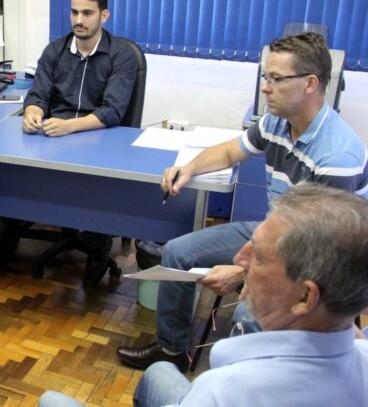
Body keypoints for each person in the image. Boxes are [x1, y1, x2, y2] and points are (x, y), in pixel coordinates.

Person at [116, 31, 368, 371]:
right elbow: (229, 151)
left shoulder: (337, 156)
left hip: (310, 260)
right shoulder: (276, 122)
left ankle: (238, 382)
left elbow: (322, 252)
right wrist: (188, 168)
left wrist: (243, 271)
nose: (265, 87)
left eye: (276, 79)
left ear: (310, 84)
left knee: (248, 311)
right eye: (266, 77)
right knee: (176, 252)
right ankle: (172, 350)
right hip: (271, 233)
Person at [38, 184, 368, 407]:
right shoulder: (360, 362)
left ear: (305, 298)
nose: (239, 260)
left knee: (50, 399)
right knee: (159, 373)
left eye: (260, 257)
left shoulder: (224, 391)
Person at [7, 0, 137, 287]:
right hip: (54, 139)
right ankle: (12, 227)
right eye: (74, 12)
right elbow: (37, 94)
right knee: (12, 171)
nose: (79, 20)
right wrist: (33, 113)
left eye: (87, 13)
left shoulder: (121, 56)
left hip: (99, 139)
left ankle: (97, 246)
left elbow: (112, 111)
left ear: (104, 15)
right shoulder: (54, 51)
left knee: (97, 188)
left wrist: (70, 126)